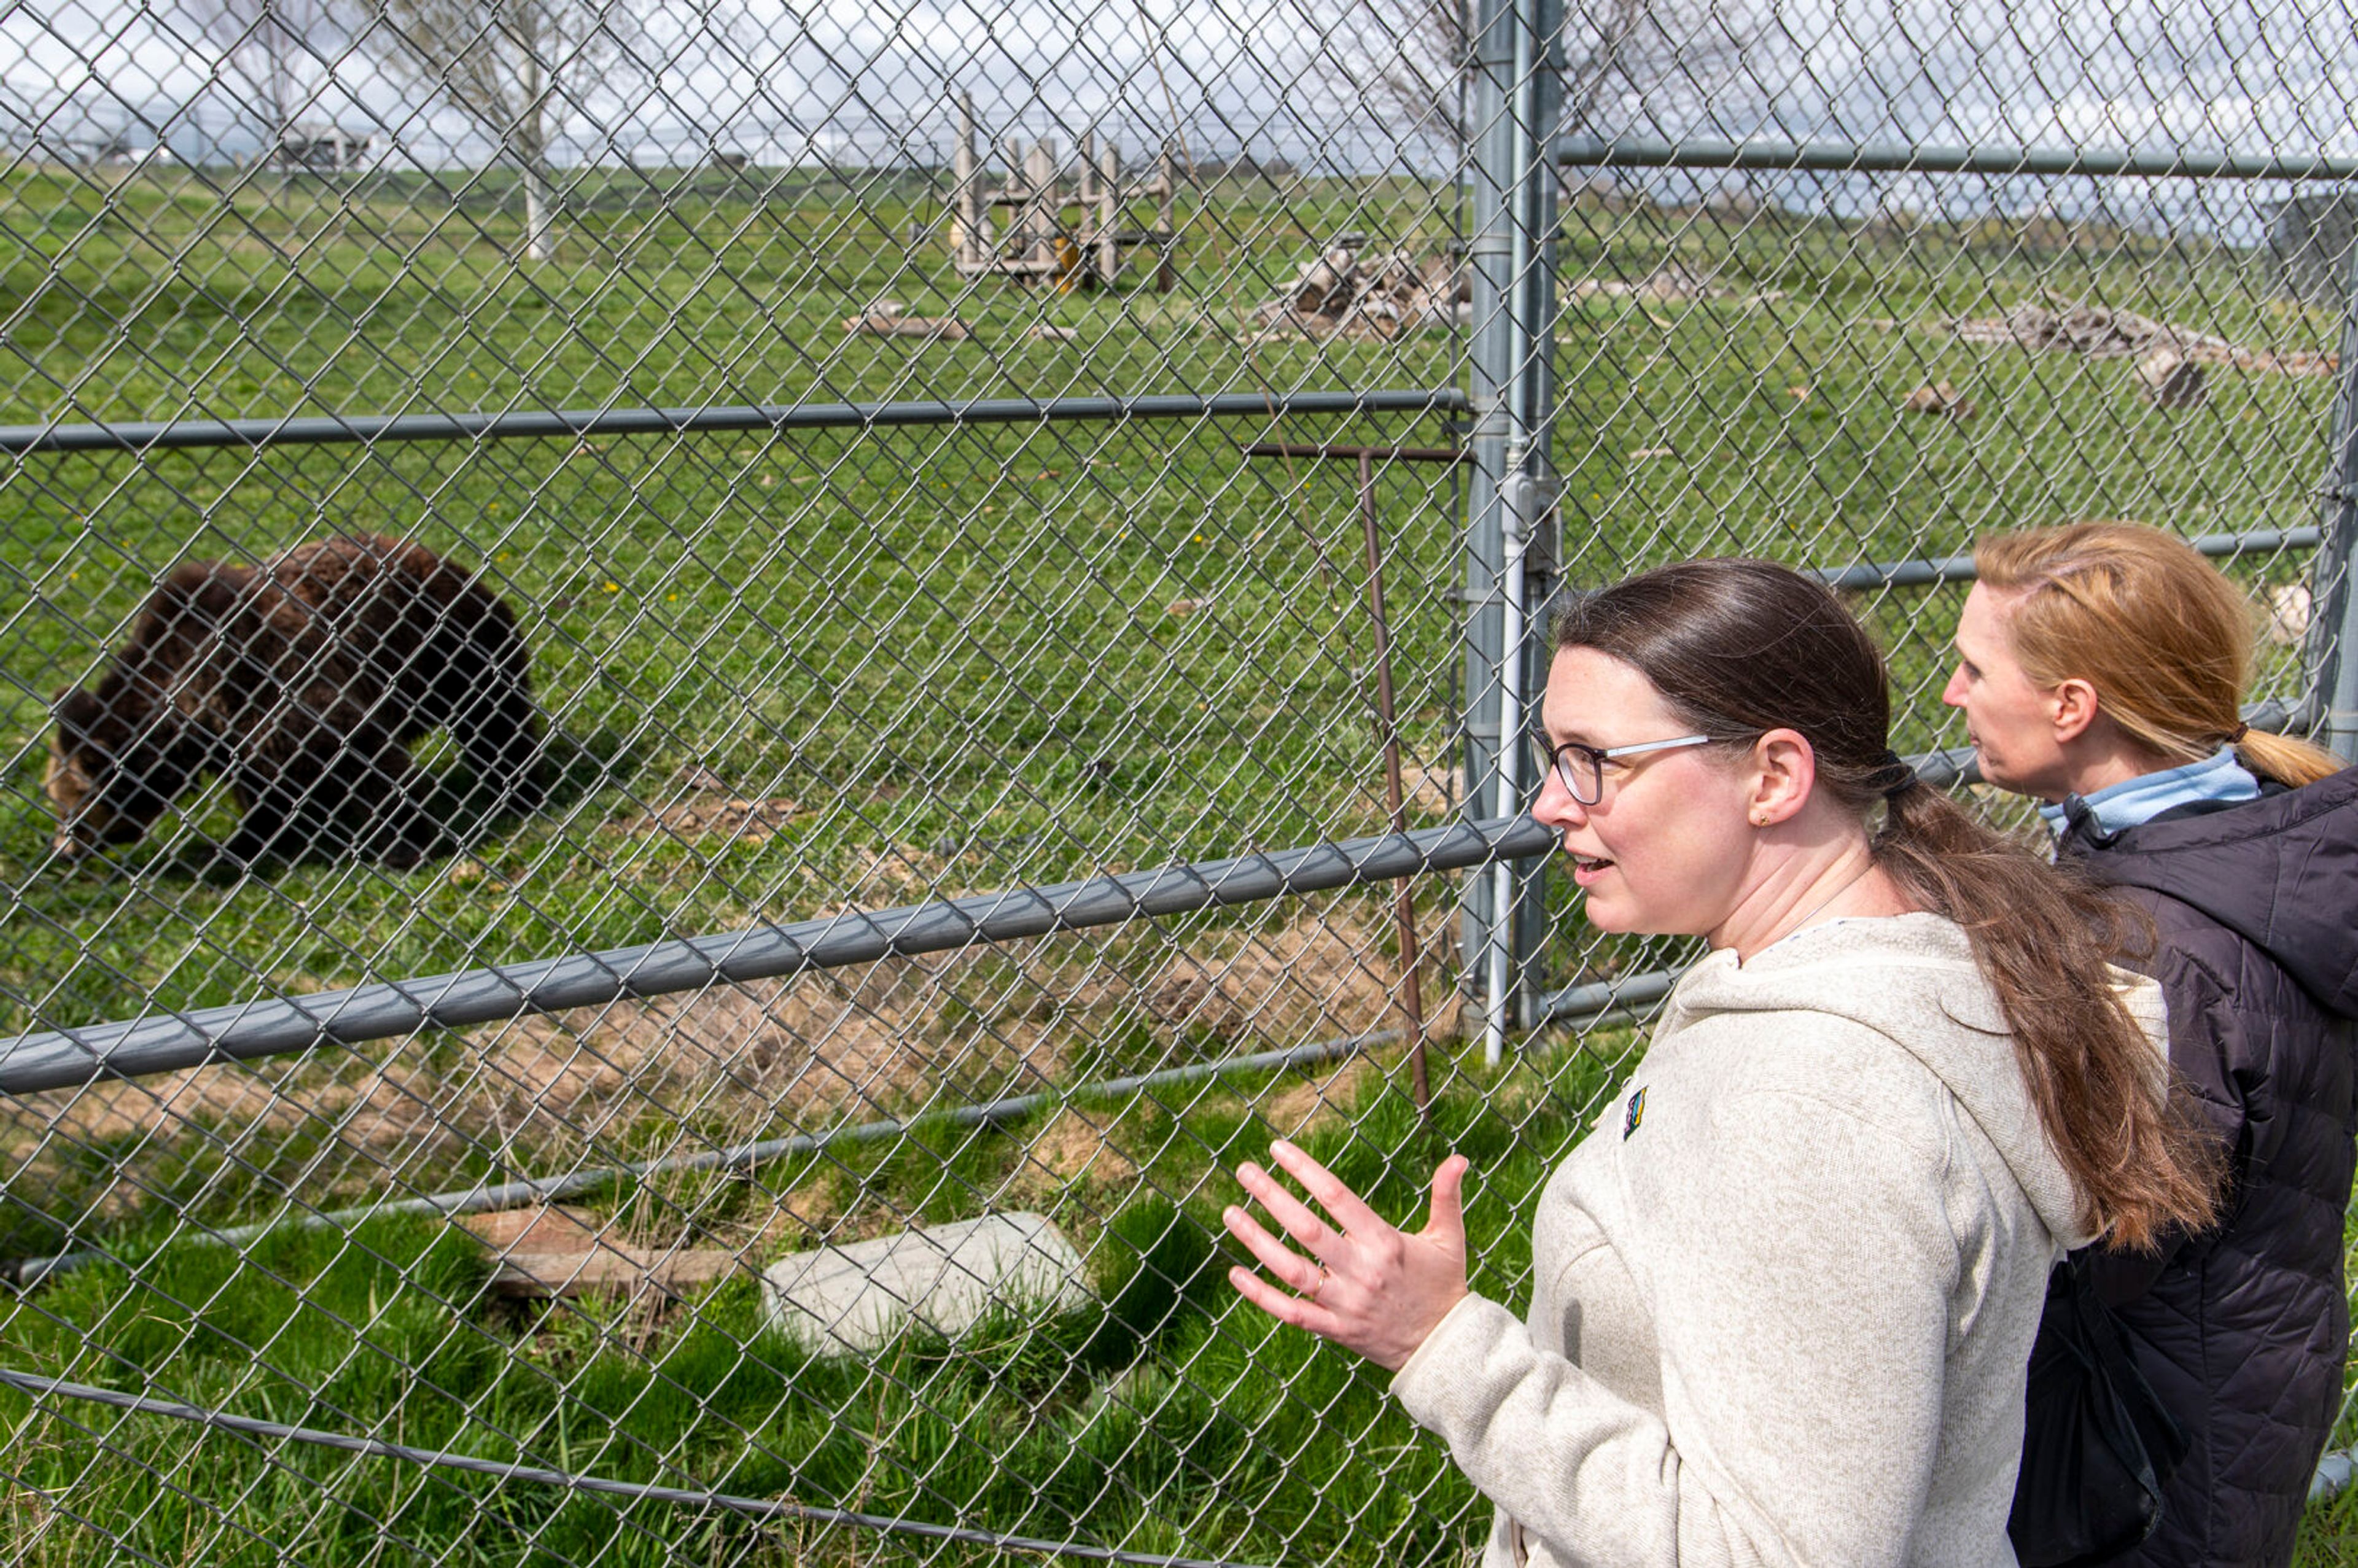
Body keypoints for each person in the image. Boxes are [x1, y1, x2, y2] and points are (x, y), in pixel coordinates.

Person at [1223, 557, 2218, 1566]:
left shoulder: (1816, 1101)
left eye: (1592, 760)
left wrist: (1441, 1346)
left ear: (1776, 776)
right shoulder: (1889, 968)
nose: (1550, 804)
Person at [1946, 521, 2358, 1568]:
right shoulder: (2254, 838)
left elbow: (2108, 1221)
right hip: (2236, 1369)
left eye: (1973, 667)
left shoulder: (2156, 950)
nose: (1952, 692)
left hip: (2144, 1433)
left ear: (2072, 706)